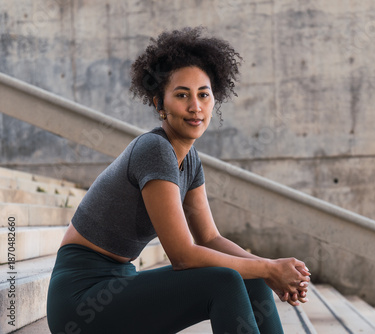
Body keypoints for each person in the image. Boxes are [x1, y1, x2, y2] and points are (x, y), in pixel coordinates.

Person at [47, 27, 310, 334]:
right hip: (80, 302)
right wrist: (268, 269)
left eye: (204, 95)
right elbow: (183, 256)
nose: (195, 106)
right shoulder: (154, 149)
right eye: (182, 95)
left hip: (118, 285)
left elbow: (210, 239)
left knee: (251, 278)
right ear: (160, 104)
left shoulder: (189, 159)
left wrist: (273, 269)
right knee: (223, 281)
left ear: (215, 101)